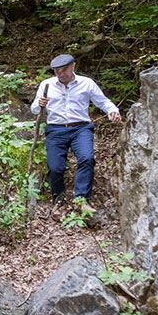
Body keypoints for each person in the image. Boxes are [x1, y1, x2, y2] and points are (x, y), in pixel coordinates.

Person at [31, 54, 121, 208]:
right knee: (55, 167)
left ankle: (81, 199)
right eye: (56, 71)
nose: (60, 74)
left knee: (86, 158)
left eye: (64, 70)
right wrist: (40, 104)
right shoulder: (46, 85)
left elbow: (103, 101)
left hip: (81, 128)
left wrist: (112, 110)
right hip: (56, 129)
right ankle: (58, 198)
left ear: (73, 66)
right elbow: (34, 110)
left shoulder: (86, 83)